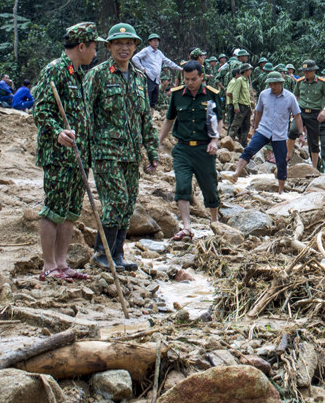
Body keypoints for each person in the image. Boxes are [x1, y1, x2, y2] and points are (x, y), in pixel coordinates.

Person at [32, 22, 103, 282]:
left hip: (78, 156)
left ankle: (62, 263)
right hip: (59, 156)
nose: (96, 53)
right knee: (54, 207)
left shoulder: (79, 73)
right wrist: (57, 132)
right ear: (82, 46)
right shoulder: (56, 70)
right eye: (94, 47)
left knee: (71, 209)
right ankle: (48, 265)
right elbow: (40, 110)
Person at [87, 23, 160, 271]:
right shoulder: (97, 76)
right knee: (115, 200)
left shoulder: (140, 79)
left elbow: (145, 120)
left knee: (128, 204)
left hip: (131, 154)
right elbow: (86, 116)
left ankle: (117, 254)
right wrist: (85, 152)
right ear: (109, 46)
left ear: (135, 47)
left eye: (129, 43)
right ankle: (101, 253)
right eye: (118, 43)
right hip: (106, 153)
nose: (124, 48)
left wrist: (152, 153)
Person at [158, 61, 223, 240]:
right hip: (183, 148)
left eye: (194, 79)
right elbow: (169, 120)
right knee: (182, 184)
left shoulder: (211, 94)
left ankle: (214, 221)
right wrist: (159, 141)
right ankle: (186, 226)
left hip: (205, 148)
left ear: (201, 77)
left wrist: (215, 140)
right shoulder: (177, 95)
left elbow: (219, 120)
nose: (190, 82)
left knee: (209, 186)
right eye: (186, 79)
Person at [230, 72, 304, 193]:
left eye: (275, 84)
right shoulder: (264, 95)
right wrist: (254, 129)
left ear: (281, 83)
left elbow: (297, 116)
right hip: (264, 130)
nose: (273, 87)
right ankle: (236, 173)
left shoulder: (290, 97)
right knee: (249, 150)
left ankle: (281, 190)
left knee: (281, 162)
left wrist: (301, 134)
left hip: (279, 134)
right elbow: (258, 112)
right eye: (270, 84)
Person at [288, 60, 325, 170]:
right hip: (301, 112)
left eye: (308, 71)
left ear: (313, 71)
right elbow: (295, 97)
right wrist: (293, 111)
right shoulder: (300, 82)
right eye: (304, 71)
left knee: (313, 141)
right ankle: (288, 156)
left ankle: (313, 168)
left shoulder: (322, 82)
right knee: (292, 131)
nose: (306, 73)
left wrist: (324, 110)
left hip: (314, 114)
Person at [131, 33, 181, 108]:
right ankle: (146, 116)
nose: (156, 42)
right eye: (154, 40)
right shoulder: (146, 51)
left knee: (154, 100)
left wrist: (180, 68)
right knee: (147, 98)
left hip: (156, 79)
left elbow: (168, 62)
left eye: (157, 41)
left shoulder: (159, 53)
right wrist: (142, 68)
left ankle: (151, 116)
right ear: (149, 42)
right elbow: (135, 58)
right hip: (148, 77)